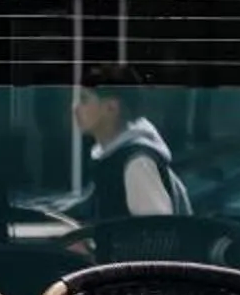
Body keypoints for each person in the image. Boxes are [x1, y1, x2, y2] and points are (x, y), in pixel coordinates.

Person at [73, 64, 191, 222]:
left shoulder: (137, 163)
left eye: (84, 99)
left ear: (111, 108)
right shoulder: (110, 157)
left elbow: (158, 234)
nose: (75, 108)